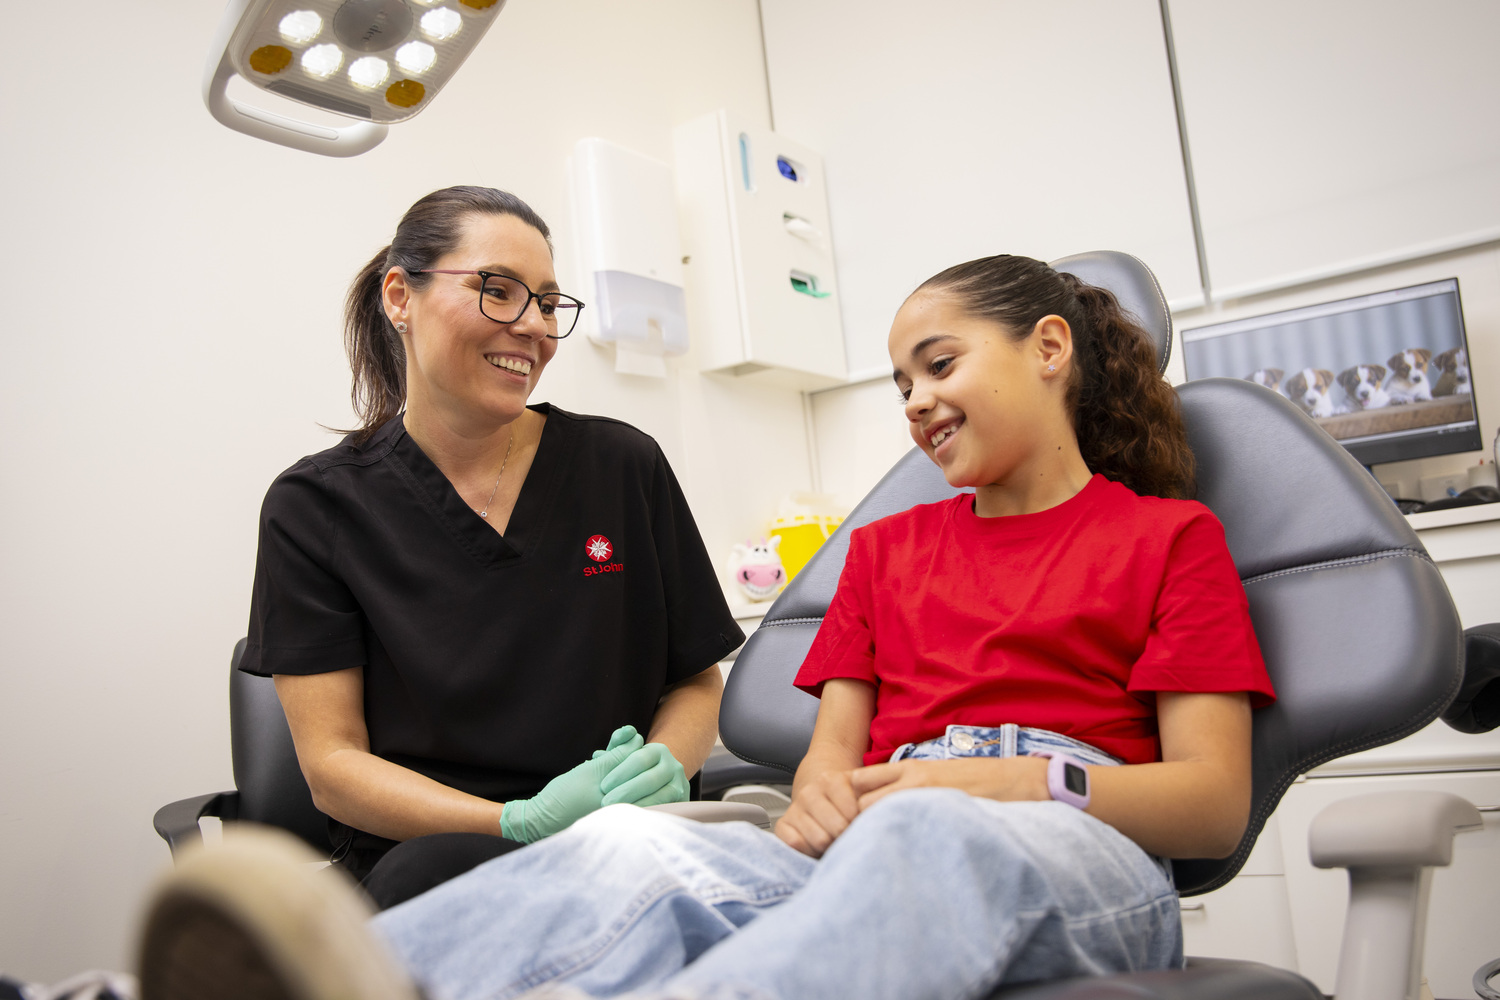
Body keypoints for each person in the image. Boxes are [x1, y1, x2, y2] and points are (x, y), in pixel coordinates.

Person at [132, 253, 1275, 1000]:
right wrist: (834, 796)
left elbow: (1208, 804)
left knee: (931, 838)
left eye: (939, 365)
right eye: (900, 383)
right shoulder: (884, 552)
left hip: (1076, 850)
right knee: (630, 850)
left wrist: (1000, 787)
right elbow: (834, 768)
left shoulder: (1167, 542)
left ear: (1049, 349)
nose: (918, 401)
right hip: (884, 829)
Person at [241, 186, 743, 905]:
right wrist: (515, 824)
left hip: (624, 840)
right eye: (498, 291)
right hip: (436, 861)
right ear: (399, 297)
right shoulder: (314, 507)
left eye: (546, 303)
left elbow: (694, 679)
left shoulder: (623, 465)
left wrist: (664, 763)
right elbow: (333, 765)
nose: (534, 326)